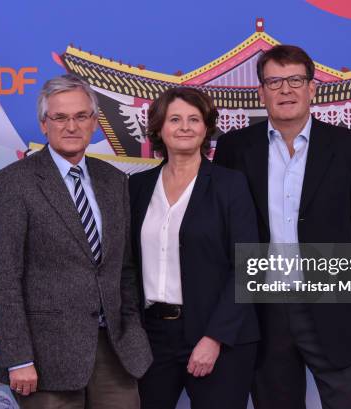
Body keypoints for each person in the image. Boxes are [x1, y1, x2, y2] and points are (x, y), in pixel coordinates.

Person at [214, 45, 351, 409]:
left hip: (332, 303)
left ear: (312, 88)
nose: (285, 90)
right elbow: (224, 228)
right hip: (263, 307)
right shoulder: (234, 148)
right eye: (274, 81)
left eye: (295, 79)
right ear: (261, 92)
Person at [0, 74, 152, 409]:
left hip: (115, 352)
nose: (71, 126)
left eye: (80, 116)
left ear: (94, 123)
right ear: (44, 125)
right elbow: (3, 278)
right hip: (46, 357)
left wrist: (131, 328)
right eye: (60, 117)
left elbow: (125, 270)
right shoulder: (14, 183)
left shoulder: (114, 181)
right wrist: (18, 358)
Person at [129, 87, 260, 409]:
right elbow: (126, 264)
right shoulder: (136, 187)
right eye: (174, 119)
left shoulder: (231, 185)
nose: (184, 127)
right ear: (159, 128)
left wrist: (214, 337)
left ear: (206, 128)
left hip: (218, 334)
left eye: (194, 119)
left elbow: (248, 267)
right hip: (152, 336)